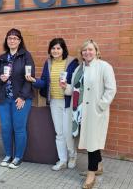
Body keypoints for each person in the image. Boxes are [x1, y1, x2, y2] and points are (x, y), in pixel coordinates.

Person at [61, 40, 116, 189]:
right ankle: (98, 166)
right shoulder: (80, 68)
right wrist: (66, 87)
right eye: (84, 50)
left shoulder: (104, 67)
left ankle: (92, 174)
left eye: (90, 50)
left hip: (94, 111)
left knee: (92, 142)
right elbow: (75, 89)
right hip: (79, 112)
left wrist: (100, 106)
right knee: (91, 140)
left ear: (96, 51)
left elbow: (111, 89)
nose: (87, 53)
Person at [25, 38, 79, 171]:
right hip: (55, 101)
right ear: (50, 50)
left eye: (58, 48)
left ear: (63, 49)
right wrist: (34, 81)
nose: (55, 51)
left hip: (68, 102)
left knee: (67, 133)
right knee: (59, 133)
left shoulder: (72, 62)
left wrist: (67, 86)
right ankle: (62, 160)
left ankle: (73, 155)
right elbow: (44, 82)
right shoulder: (48, 62)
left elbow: (77, 82)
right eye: (53, 48)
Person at [0, 28, 35, 169]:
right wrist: (0, 78)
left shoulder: (26, 56)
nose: (12, 40)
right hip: (4, 99)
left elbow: (29, 78)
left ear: (19, 41)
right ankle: (8, 155)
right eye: (9, 38)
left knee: (19, 128)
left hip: (20, 99)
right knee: (6, 128)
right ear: (6, 40)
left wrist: (23, 96)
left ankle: (18, 157)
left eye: (15, 38)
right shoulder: (1, 58)